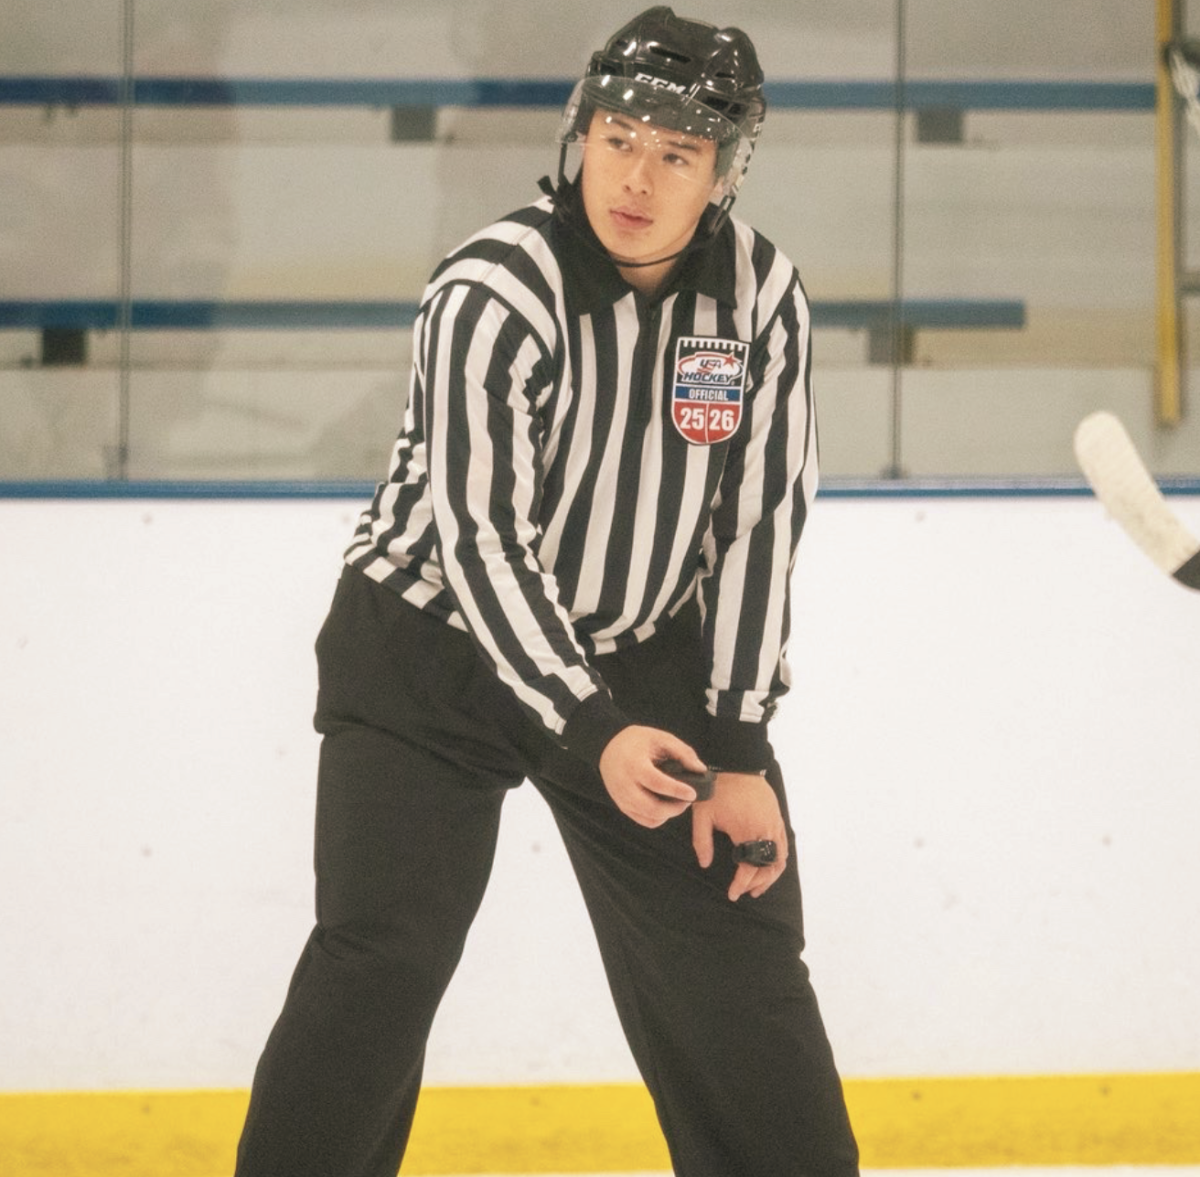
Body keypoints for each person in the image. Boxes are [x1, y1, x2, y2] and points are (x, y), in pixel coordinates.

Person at [234, 8, 860, 1175]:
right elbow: (483, 541)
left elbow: (759, 524)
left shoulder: (761, 299)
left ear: (725, 173)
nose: (637, 178)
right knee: (382, 960)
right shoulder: (492, 291)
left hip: (637, 647)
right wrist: (590, 727)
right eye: (618, 139)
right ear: (580, 136)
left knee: (737, 955)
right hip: (431, 649)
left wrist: (736, 746)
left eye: (676, 153)